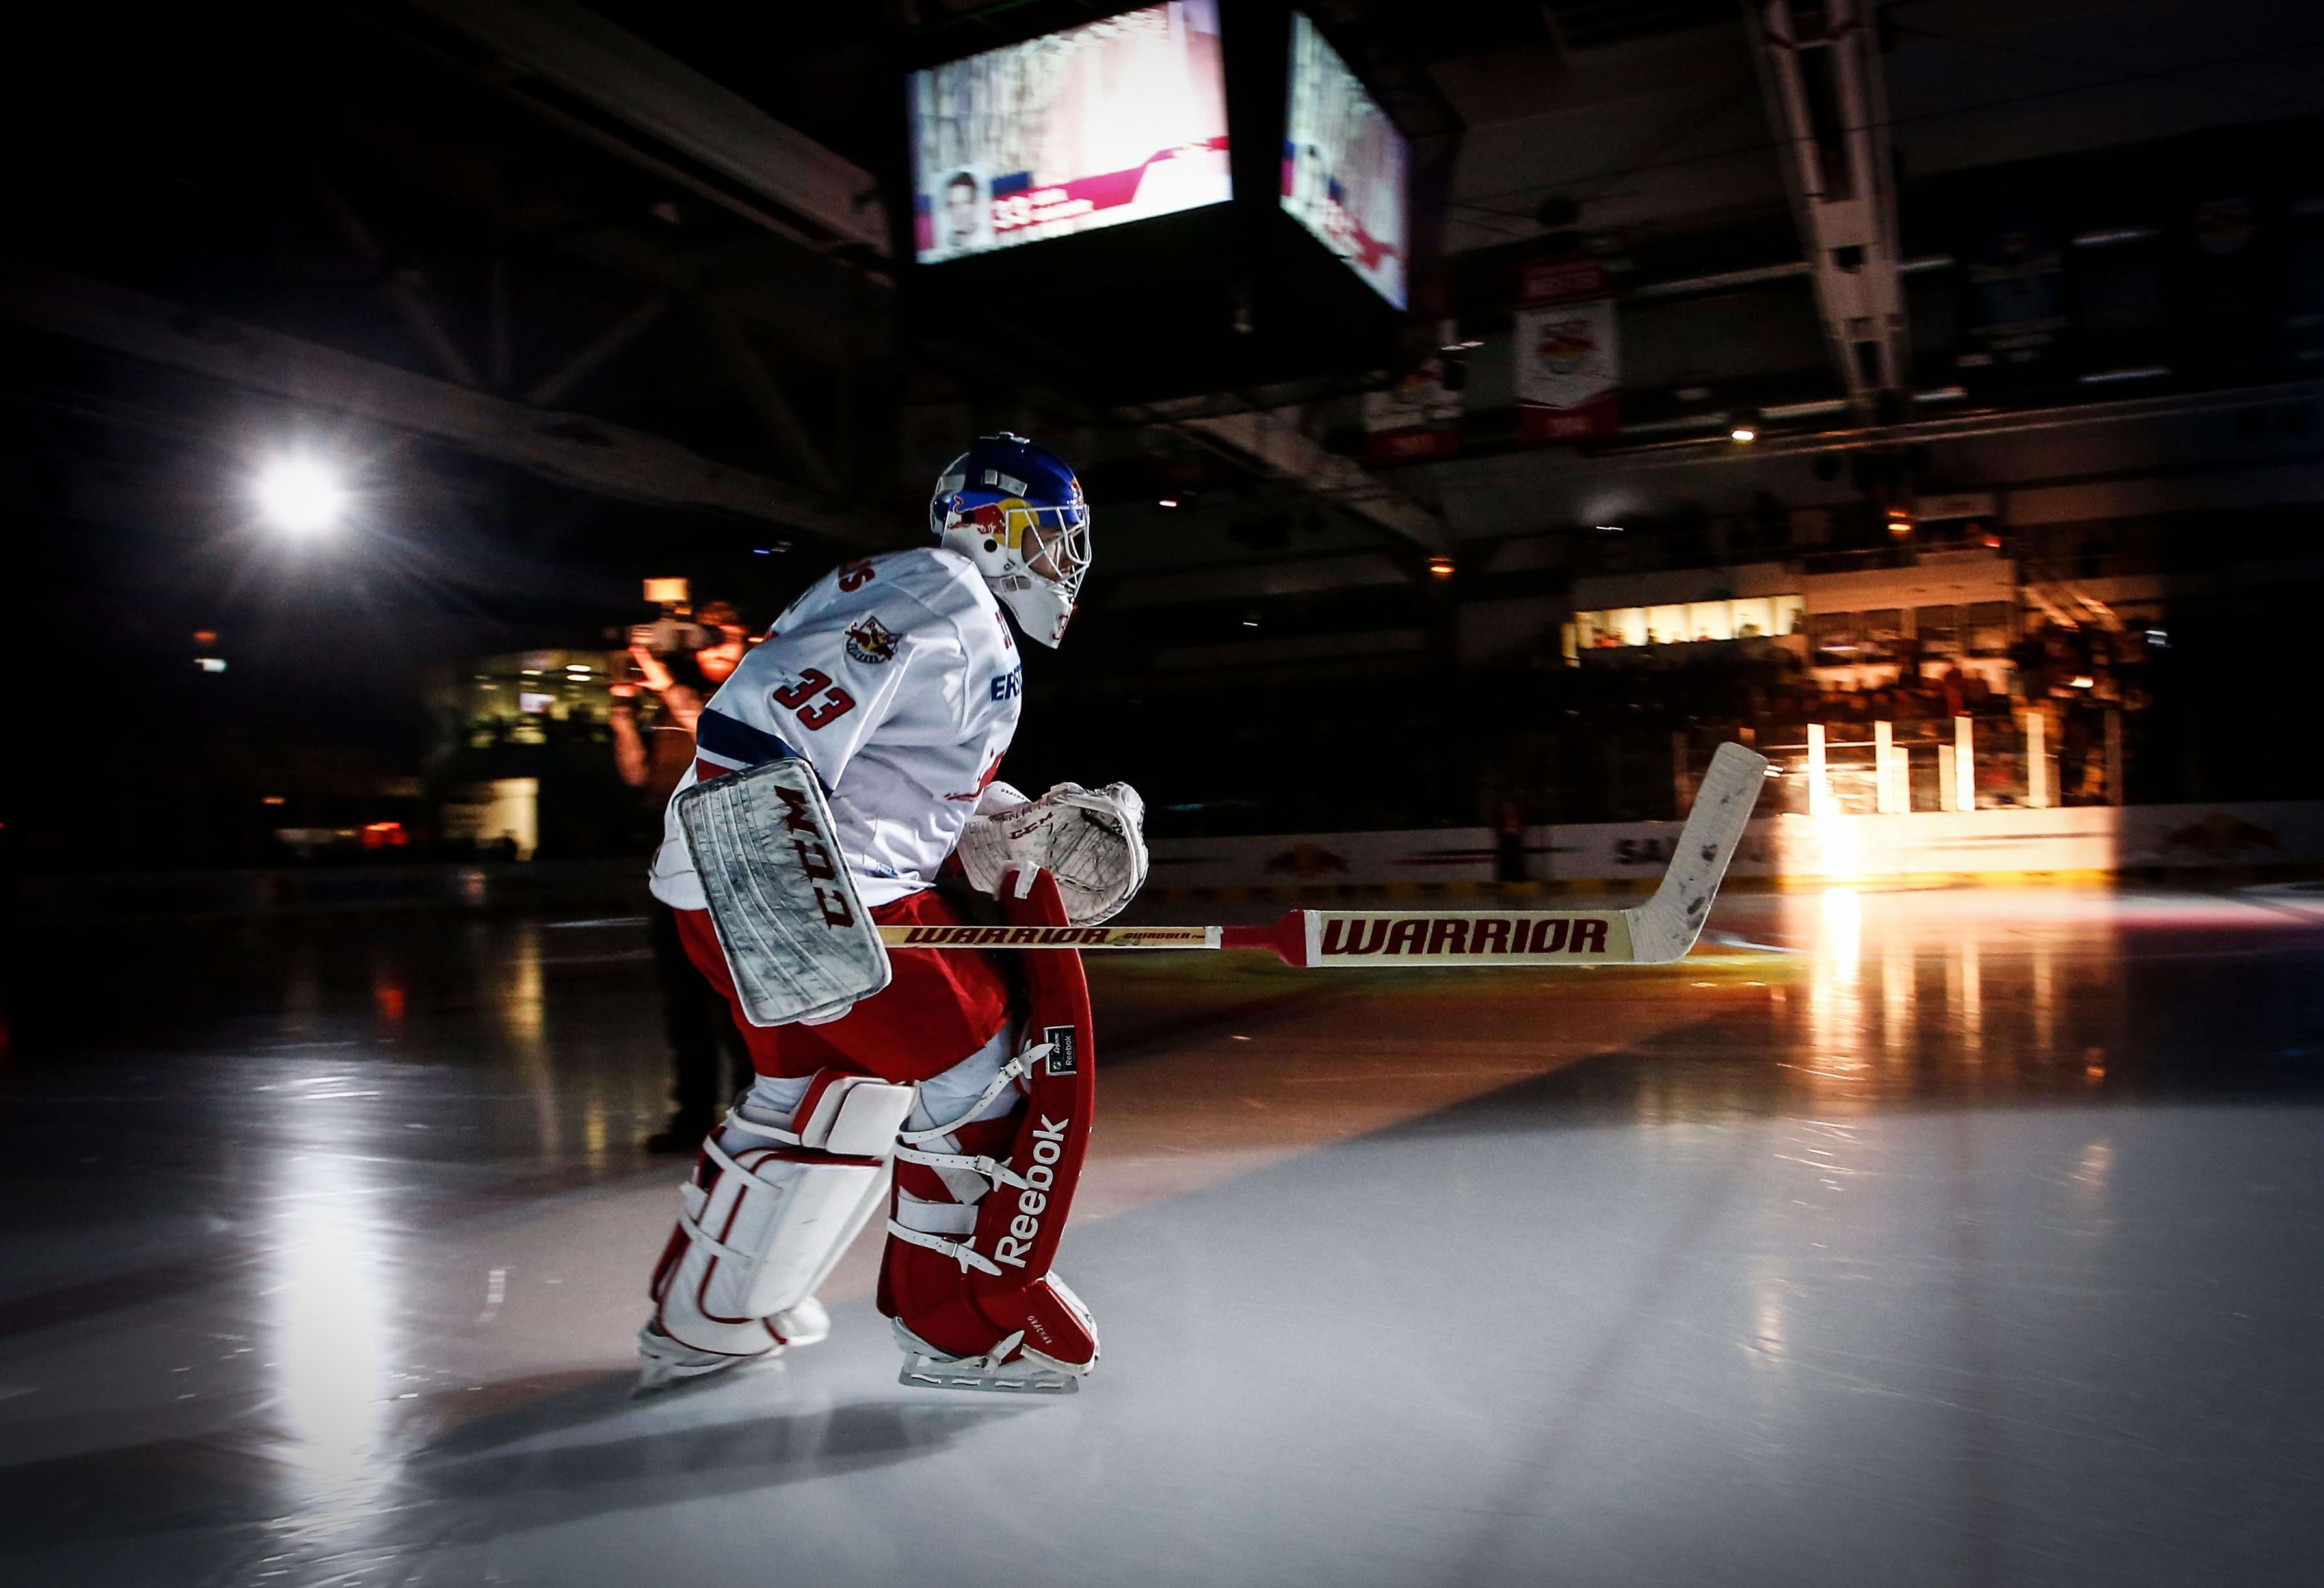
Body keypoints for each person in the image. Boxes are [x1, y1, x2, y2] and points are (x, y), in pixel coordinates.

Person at [634, 433, 1144, 1394]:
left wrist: (1013, 821)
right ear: (997, 529)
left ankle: (709, 1317)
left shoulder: (926, 599)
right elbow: (757, 723)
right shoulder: (940, 597)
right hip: (803, 889)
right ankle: (957, 1325)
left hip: (738, 884)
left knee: (811, 1097)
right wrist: (786, 906)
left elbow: (888, 780)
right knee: (987, 1060)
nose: (1060, 564)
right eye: (1048, 539)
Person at [611, 615, 752, 1153]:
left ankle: (749, 1109)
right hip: (672, 867)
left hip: (730, 868)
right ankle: (691, 1114)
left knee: (734, 1000)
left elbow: (715, 737)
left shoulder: (747, 695)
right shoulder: (674, 701)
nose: (714, 645)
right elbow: (634, 775)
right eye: (708, 634)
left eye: (726, 634)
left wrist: (667, 686)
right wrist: (622, 713)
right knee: (683, 1002)